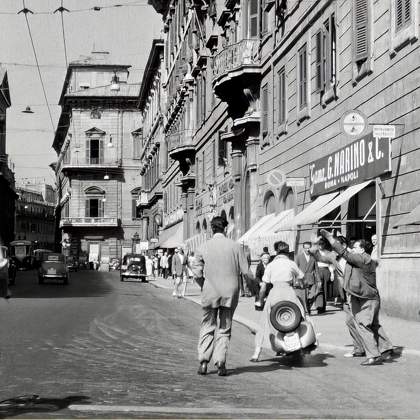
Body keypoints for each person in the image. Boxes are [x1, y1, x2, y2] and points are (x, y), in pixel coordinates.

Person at [319, 229, 394, 366]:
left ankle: (373, 355)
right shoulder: (363, 259)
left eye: (355, 248)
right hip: (364, 297)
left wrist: (330, 238)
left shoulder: (362, 259)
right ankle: (386, 348)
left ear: (362, 249)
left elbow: (344, 253)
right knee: (372, 324)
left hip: (366, 298)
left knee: (362, 324)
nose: (352, 249)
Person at [191, 216, 254, 376]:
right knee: (225, 327)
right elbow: (246, 272)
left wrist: (204, 285)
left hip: (210, 291)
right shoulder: (236, 246)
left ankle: (204, 362)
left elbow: (197, 272)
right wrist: (254, 289)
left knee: (207, 325)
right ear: (225, 229)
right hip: (230, 292)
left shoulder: (203, 246)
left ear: (212, 229)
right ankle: (220, 362)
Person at [250, 241, 304, 362]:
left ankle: (256, 352)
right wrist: (300, 284)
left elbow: (264, 286)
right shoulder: (291, 263)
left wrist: (260, 299)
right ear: (287, 252)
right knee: (299, 316)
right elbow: (301, 277)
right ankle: (297, 347)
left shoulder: (270, 265)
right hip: (289, 293)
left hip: (274, 293)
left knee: (264, 322)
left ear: (276, 252)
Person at [295, 242, 318, 313]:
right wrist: (296, 279)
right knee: (303, 297)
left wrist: (319, 280)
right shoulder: (299, 256)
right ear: (303, 248)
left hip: (311, 278)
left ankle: (308, 306)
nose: (307, 249)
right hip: (302, 279)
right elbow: (295, 269)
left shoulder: (313, 257)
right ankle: (306, 310)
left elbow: (316, 269)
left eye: (309, 248)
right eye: (306, 248)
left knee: (313, 295)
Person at [314, 237, 335, 313]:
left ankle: (324, 307)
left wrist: (332, 273)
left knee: (325, 289)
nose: (321, 245)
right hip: (318, 270)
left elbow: (330, 264)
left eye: (322, 244)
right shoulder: (316, 252)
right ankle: (319, 306)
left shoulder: (327, 253)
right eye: (319, 244)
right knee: (319, 289)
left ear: (324, 244)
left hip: (326, 270)